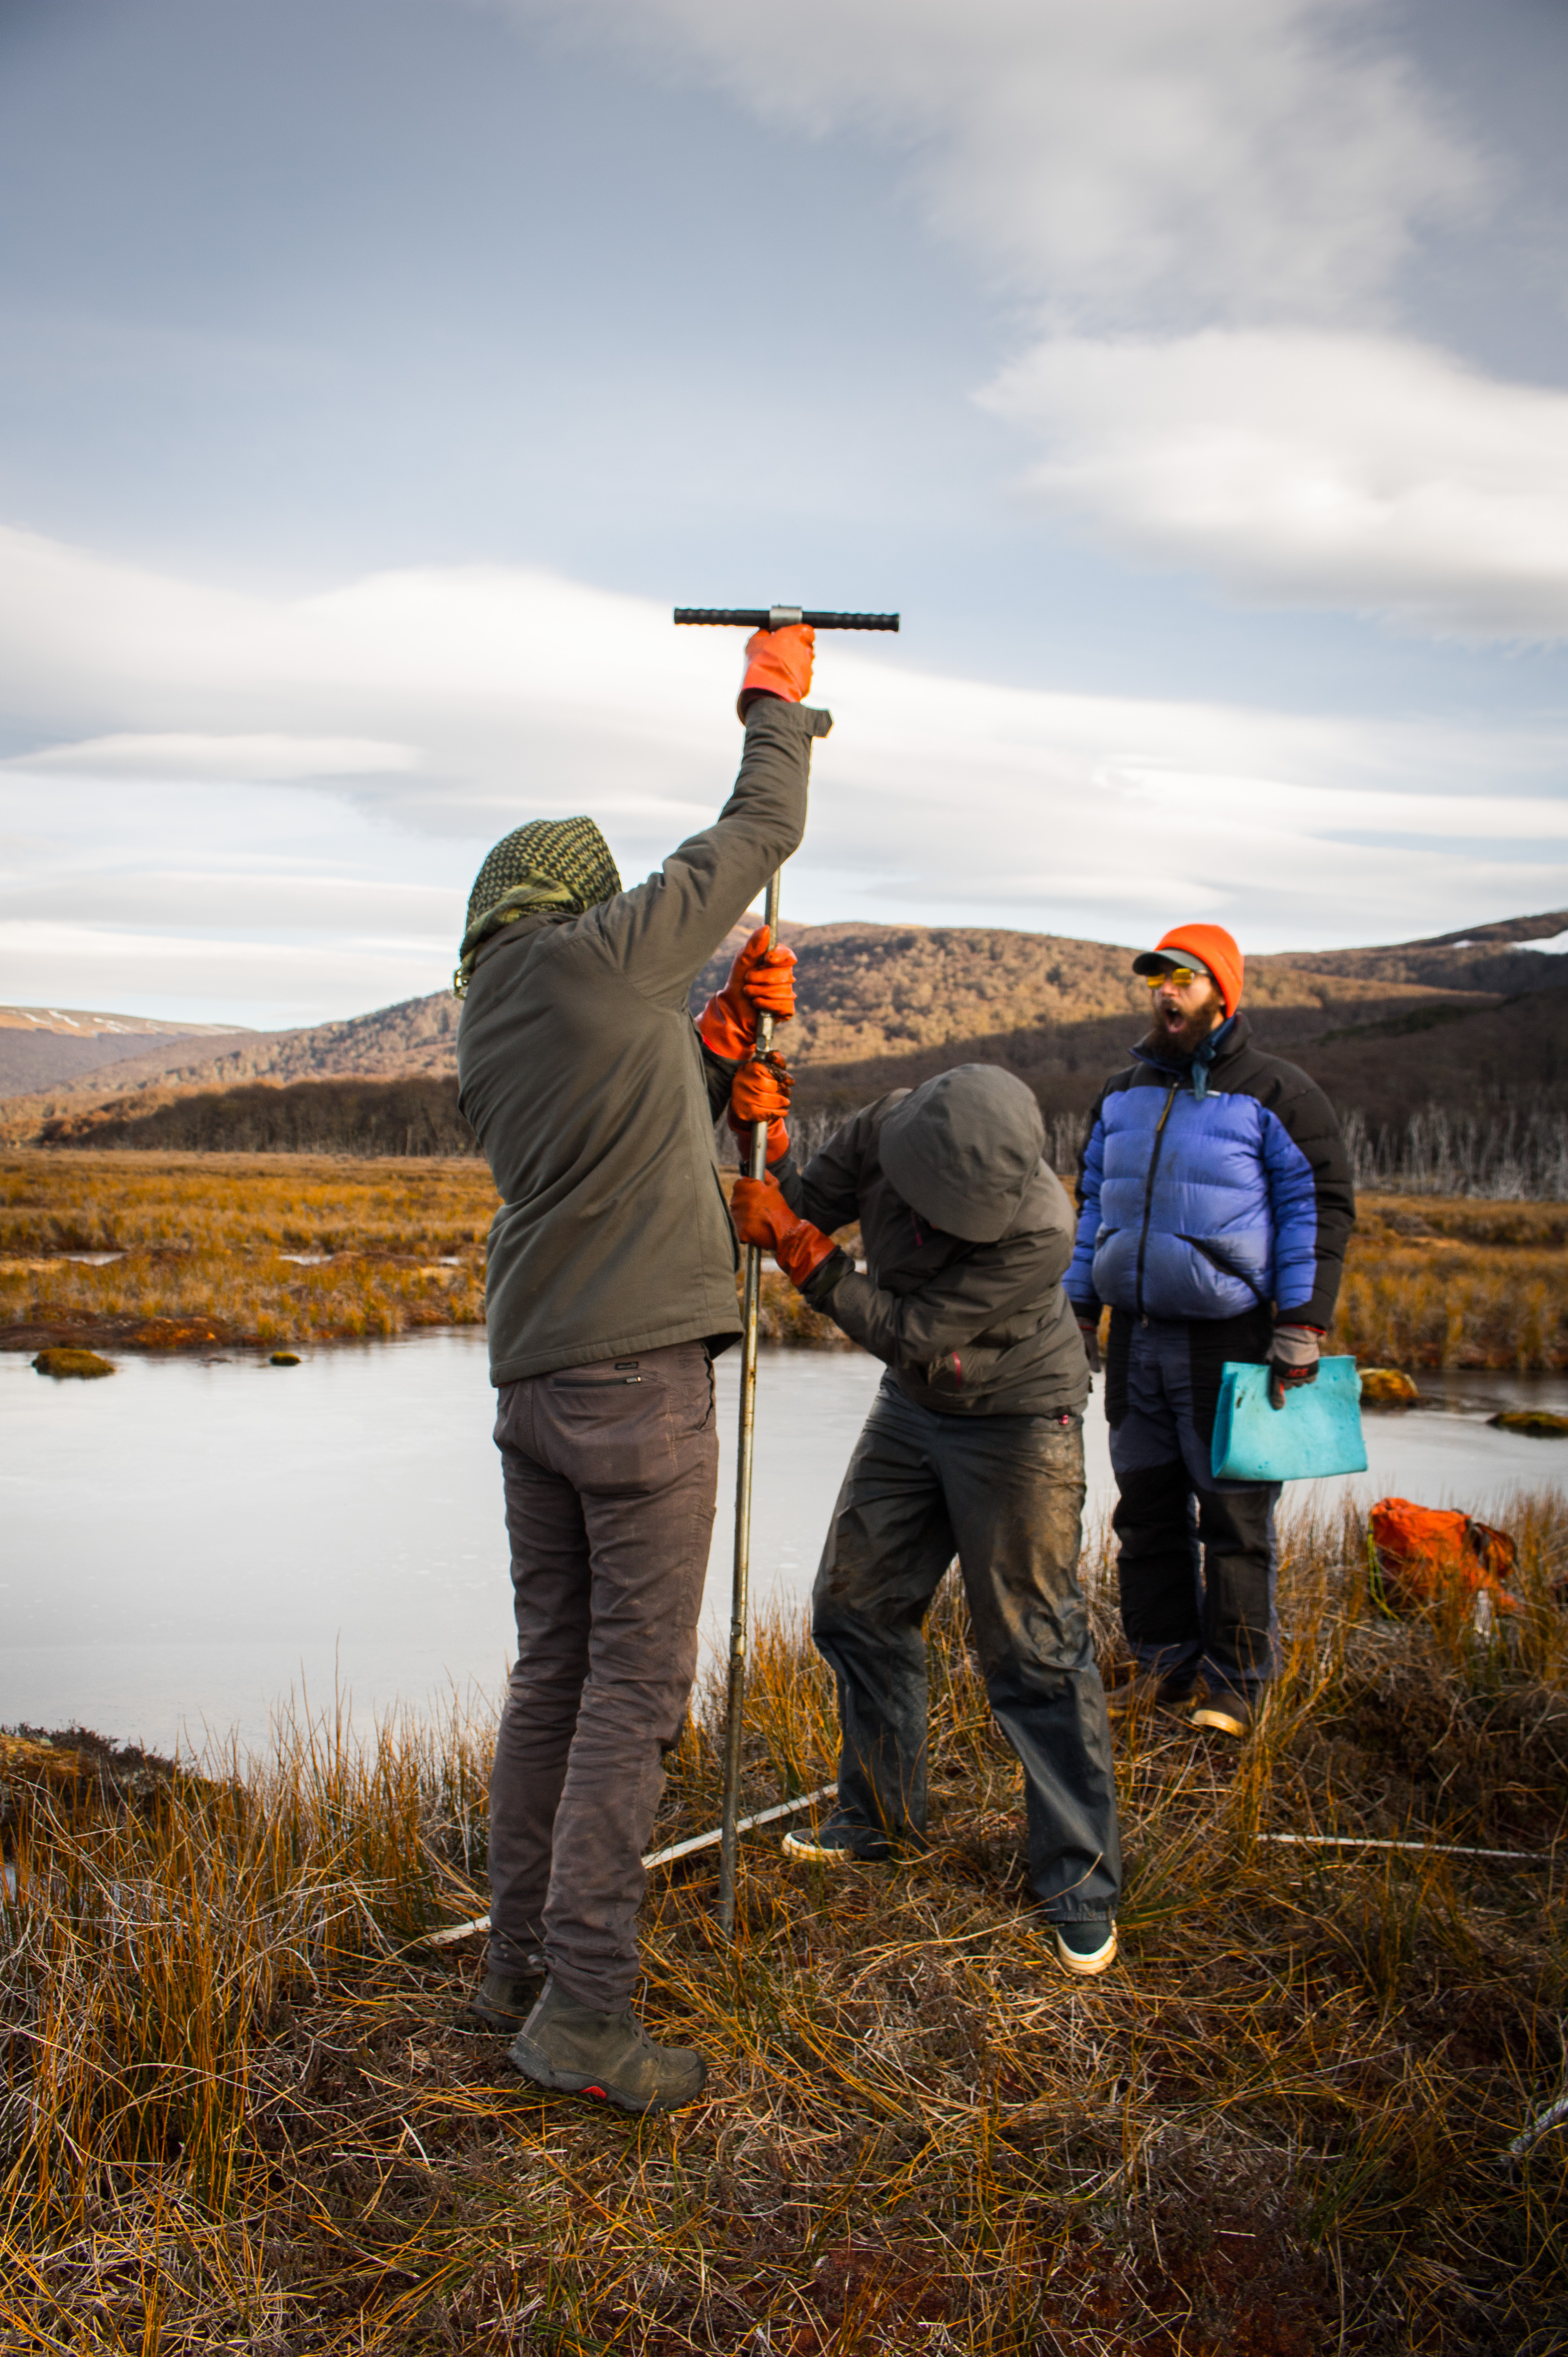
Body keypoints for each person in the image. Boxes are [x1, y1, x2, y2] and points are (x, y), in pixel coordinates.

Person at [454, 625, 831, 2113]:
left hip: (536, 1381)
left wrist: (721, 1041)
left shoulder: (495, 1018)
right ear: (571, 907)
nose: (627, 917)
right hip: (634, 1384)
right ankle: (587, 2014)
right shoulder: (591, 955)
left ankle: (515, 1973)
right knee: (631, 1696)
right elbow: (764, 828)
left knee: (556, 1677)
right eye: (607, 901)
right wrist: (776, 708)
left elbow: (632, 1107)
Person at [727, 1059, 1123, 1978]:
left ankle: (1081, 1883)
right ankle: (877, 1818)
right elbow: (800, 1204)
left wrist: (803, 1257)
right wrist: (770, 1141)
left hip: (1021, 1419)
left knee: (1032, 1647)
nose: (943, 1224)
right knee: (856, 1604)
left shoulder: (1042, 1231)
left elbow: (907, 1329)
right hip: (916, 1410)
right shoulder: (883, 1128)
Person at [1066, 924, 1355, 1738]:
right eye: (1156, 978)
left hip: (1225, 1338)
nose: (1165, 991)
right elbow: (1092, 1205)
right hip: (1134, 1338)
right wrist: (1077, 1306)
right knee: (1145, 1510)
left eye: (1183, 979)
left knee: (1232, 1517)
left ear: (1220, 991)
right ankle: (1163, 1665)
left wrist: (1300, 1323)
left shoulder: (1276, 1093)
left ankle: (1232, 1686)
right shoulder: (1122, 1094)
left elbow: (1316, 1210)